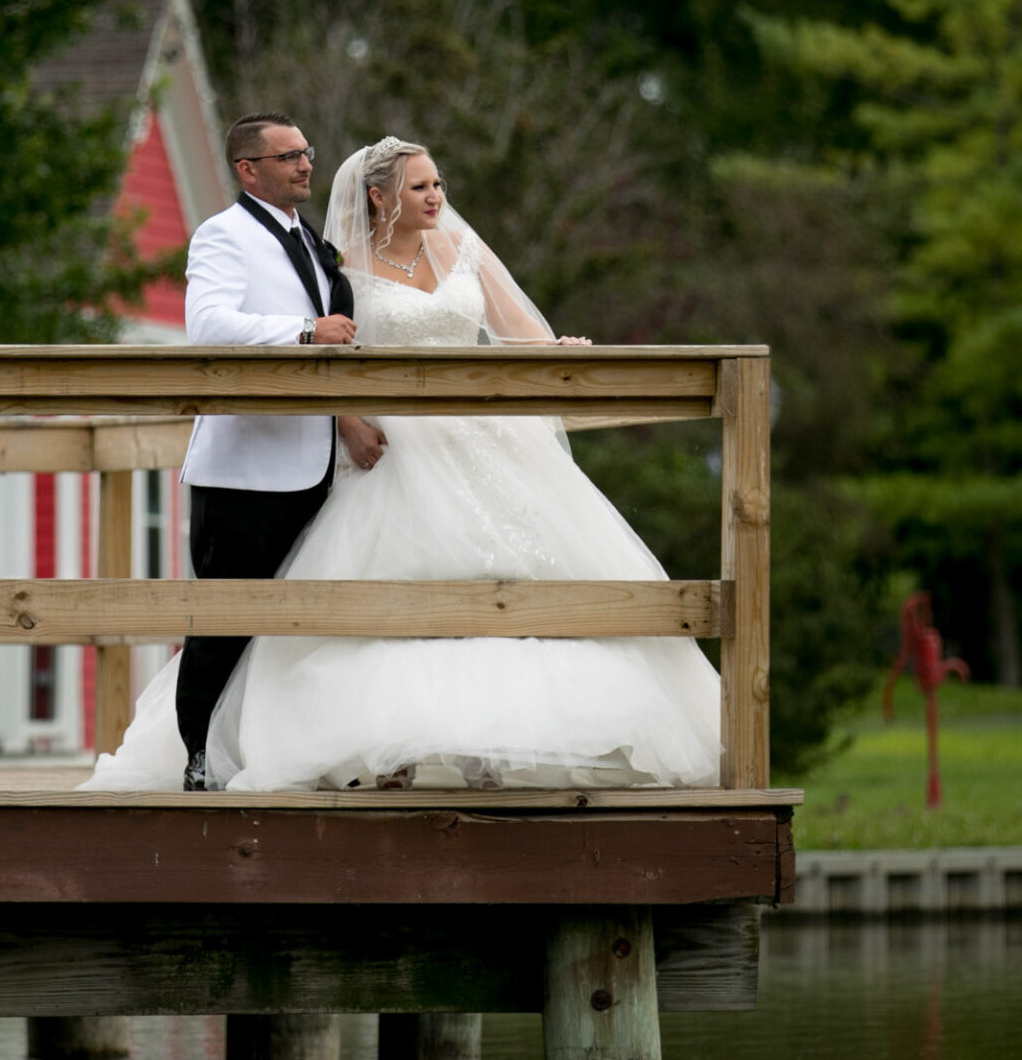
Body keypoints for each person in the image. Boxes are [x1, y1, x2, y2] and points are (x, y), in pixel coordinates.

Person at [86, 134, 719, 793]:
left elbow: (515, 332)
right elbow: (335, 356)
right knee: (385, 587)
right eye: (420, 187)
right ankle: (384, 751)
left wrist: (559, 350)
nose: (435, 198)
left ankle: (491, 746)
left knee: (515, 577)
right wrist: (349, 417)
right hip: (396, 448)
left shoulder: (462, 250)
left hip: (482, 442)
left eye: (438, 185)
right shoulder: (341, 268)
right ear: (379, 196)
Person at [82, 111, 380, 792]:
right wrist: (306, 331)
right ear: (249, 169)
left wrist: (347, 420)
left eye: (308, 152)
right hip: (247, 464)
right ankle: (195, 754)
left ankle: (282, 751)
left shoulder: (312, 241)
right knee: (224, 619)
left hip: (318, 461)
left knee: (298, 620)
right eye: (288, 157)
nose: (307, 164)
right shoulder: (224, 235)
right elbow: (209, 325)